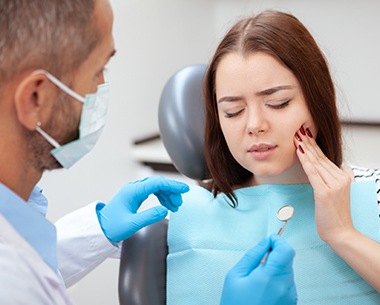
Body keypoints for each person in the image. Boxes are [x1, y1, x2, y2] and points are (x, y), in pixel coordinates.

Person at [0, 1, 295, 304]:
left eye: (279, 102)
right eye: (98, 70)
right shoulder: (13, 282)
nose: (256, 125)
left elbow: (33, 261)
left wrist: (98, 230)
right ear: (35, 98)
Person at [166, 9, 380, 305]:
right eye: (233, 111)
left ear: (316, 102)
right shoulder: (177, 214)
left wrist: (343, 234)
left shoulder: (375, 189)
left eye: (278, 103)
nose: (255, 124)